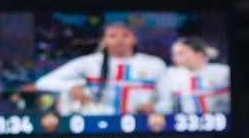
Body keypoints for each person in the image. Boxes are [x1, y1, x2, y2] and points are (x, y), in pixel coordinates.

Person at [34, 21, 167, 116]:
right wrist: (72, 86)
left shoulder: (155, 64)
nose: (119, 40)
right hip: (97, 128)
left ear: (134, 39)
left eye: (125, 35)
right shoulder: (88, 62)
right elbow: (43, 82)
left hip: (141, 128)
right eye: (113, 36)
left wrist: (155, 107)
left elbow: (168, 102)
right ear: (104, 40)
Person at [156, 36, 231, 115]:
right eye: (174, 54)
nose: (174, 58)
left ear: (198, 54)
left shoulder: (223, 72)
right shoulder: (169, 75)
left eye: (181, 53)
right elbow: (165, 105)